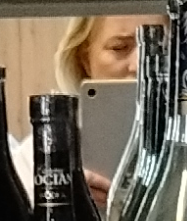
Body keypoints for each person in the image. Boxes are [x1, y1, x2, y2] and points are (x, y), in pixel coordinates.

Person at [14, 15, 165, 207]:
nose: (139, 64)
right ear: (85, 60)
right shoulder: (42, 152)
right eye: (119, 47)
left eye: (159, 47)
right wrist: (58, 201)